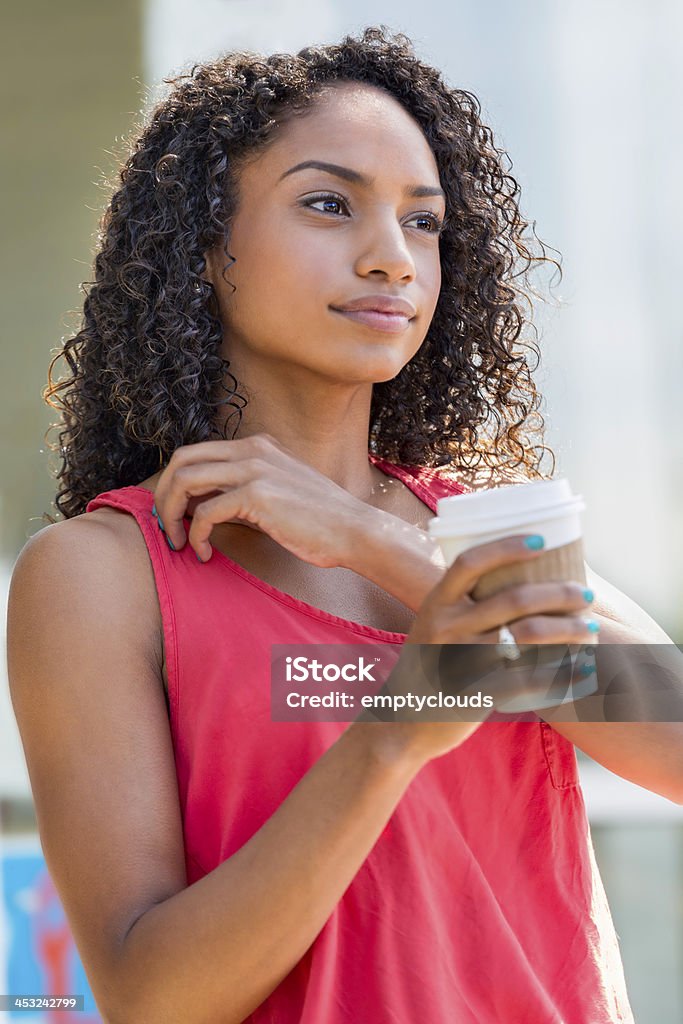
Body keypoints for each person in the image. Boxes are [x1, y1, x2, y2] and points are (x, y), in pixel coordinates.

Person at [8, 24, 679, 1024]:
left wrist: (374, 542)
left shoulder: (484, 528)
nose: (389, 259)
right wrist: (390, 735)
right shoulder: (103, 575)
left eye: (421, 222)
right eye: (327, 204)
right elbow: (151, 994)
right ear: (202, 249)